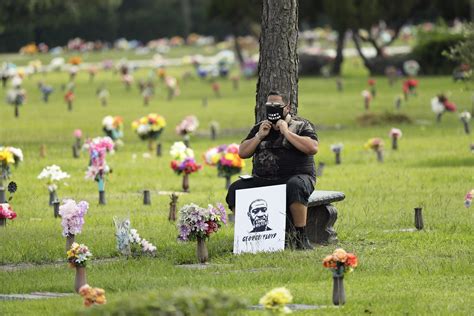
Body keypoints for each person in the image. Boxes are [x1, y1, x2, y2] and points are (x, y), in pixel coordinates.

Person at [226, 90, 318, 250]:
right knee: (236, 189)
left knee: (295, 186)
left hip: (296, 177)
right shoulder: (260, 127)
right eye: (269, 105)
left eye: (277, 105)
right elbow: (242, 152)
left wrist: (286, 132)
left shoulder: (301, 125)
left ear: (287, 107)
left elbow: (312, 148)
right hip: (265, 180)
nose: (272, 108)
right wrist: (259, 136)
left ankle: (300, 236)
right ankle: (248, 237)